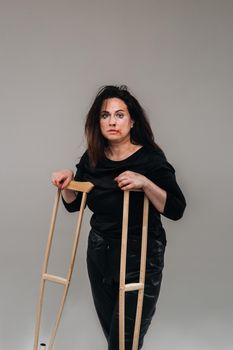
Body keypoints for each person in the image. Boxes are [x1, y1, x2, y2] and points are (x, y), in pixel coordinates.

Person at [51, 85, 186, 349]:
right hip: (100, 254)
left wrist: (145, 183)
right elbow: (74, 205)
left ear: (132, 120)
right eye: (105, 115)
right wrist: (67, 183)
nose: (112, 121)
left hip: (140, 255)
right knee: (116, 338)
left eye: (120, 115)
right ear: (97, 121)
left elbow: (177, 208)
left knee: (123, 342)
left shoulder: (150, 159)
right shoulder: (92, 159)